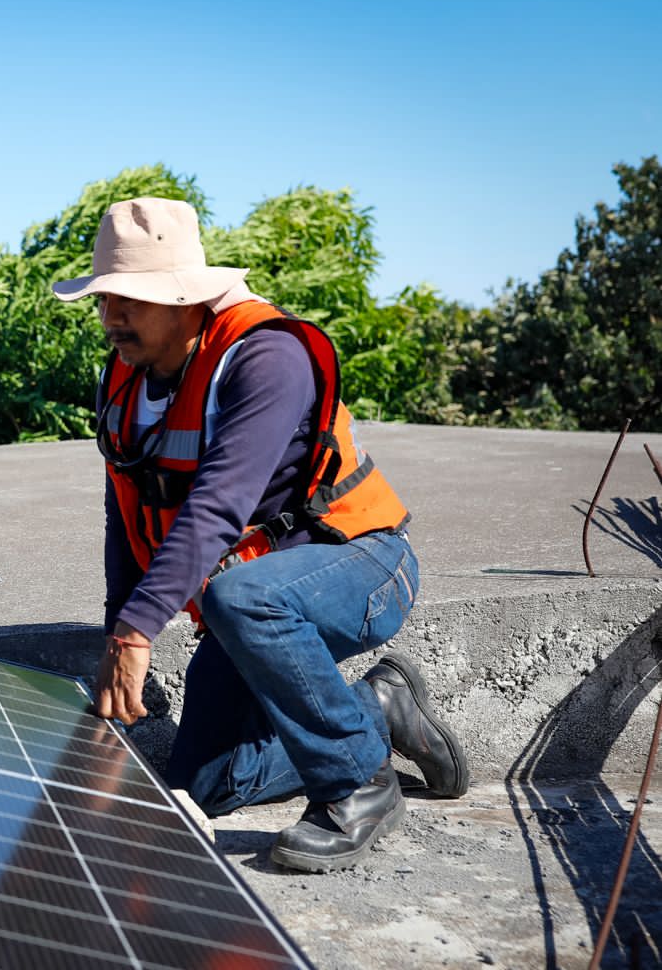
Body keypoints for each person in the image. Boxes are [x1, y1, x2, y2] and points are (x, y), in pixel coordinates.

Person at [51, 197, 469, 872]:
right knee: (206, 784)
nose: (110, 317)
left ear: (184, 298)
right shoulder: (125, 378)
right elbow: (125, 512)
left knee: (241, 596)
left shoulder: (267, 357)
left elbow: (219, 506)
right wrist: (115, 630)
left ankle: (357, 787)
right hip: (251, 599)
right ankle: (375, 710)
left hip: (360, 564)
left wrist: (138, 632)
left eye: (131, 299)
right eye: (104, 298)